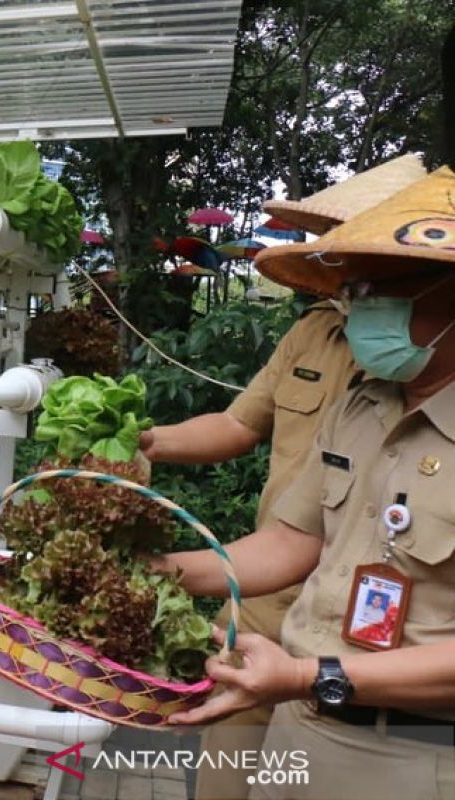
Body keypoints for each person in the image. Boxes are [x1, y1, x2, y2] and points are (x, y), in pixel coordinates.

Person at [152, 164, 455, 800]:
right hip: (303, 718)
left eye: (380, 288)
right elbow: (290, 543)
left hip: (410, 754)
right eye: (355, 288)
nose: (359, 306)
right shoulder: (363, 404)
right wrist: (152, 571)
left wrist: (304, 674)